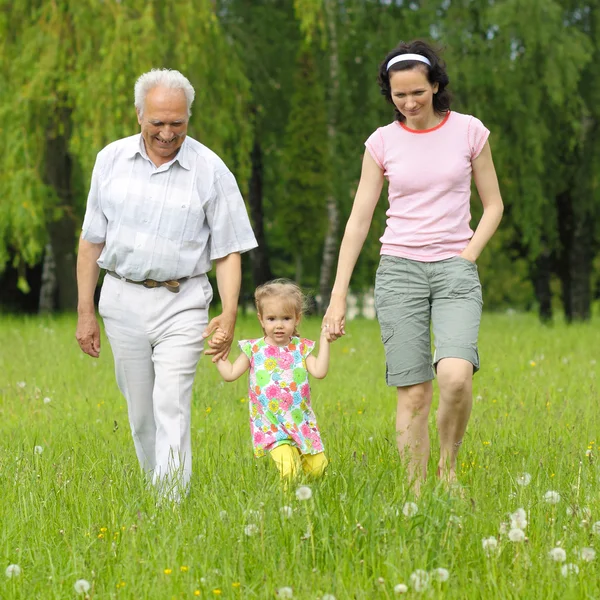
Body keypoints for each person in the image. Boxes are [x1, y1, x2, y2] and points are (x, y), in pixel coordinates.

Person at [323, 40, 504, 492]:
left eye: (417, 93)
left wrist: (468, 256)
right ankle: (416, 492)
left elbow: (494, 204)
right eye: (399, 95)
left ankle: (448, 469)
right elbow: (359, 219)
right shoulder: (381, 142)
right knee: (415, 391)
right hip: (399, 270)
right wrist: (337, 297)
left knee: (456, 376)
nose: (408, 103)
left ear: (436, 85)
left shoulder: (469, 132)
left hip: (454, 268)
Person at [75, 69, 257, 497]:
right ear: (138, 114)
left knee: (172, 402)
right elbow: (90, 242)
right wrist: (86, 311)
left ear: (189, 117)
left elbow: (228, 250)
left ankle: (169, 505)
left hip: (184, 300)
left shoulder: (210, 169)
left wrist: (228, 314)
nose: (167, 132)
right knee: (141, 413)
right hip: (121, 299)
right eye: (157, 122)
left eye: (177, 122)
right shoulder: (110, 161)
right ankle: (156, 488)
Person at [214, 279, 329, 481]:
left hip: (300, 423)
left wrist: (325, 340)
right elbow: (230, 374)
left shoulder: (301, 348)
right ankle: (287, 505)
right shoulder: (254, 349)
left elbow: (319, 371)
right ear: (261, 319)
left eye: (286, 318)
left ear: (297, 319)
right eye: (271, 319)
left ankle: (309, 497)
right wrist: (218, 353)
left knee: (318, 469)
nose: (278, 325)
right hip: (272, 425)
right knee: (289, 470)